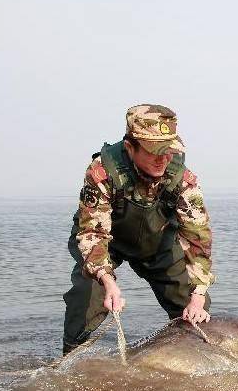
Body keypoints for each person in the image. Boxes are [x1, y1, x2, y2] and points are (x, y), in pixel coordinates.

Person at [62, 104, 215, 355]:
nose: (162, 159)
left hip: (158, 244)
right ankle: (67, 363)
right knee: (86, 300)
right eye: (154, 151)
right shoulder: (102, 173)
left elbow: (197, 237)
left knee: (196, 308)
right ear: (130, 147)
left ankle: (188, 363)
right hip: (107, 243)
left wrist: (198, 293)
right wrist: (107, 280)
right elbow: (92, 234)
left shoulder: (182, 179)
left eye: (168, 151)